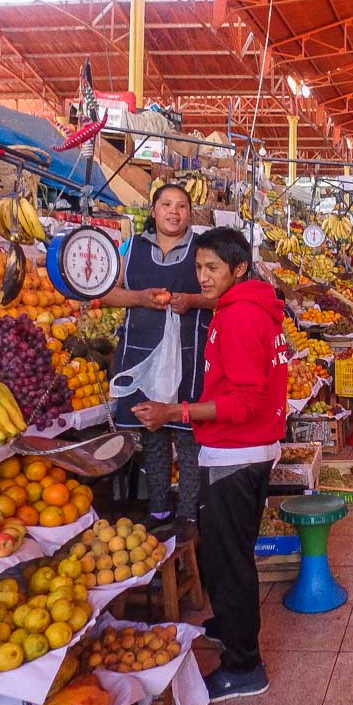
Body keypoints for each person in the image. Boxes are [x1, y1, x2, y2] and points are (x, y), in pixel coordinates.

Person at [131, 227, 289, 702]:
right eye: (198, 267)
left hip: (235, 452)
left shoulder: (240, 318)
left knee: (227, 562)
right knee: (229, 550)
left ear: (238, 270)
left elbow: (241, 402)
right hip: (249, 448)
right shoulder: (248, 305)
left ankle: (244, 667)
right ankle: (230, 624)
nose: (202, 276)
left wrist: (172, 413)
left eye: (212, 268)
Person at [102, 183, 211, 534]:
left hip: (188, 353)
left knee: (187, 433)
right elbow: (107, 294)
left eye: (181, 206)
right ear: (153, 210)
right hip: (140, 352)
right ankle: (160, 509)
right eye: (166, 204)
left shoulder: (201, 251)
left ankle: (190, 514)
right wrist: (139, 297)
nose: (173, 212)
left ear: (189, 213)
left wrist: (193, 302)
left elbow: (223, 297)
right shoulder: (130, 248)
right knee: (153, 432)